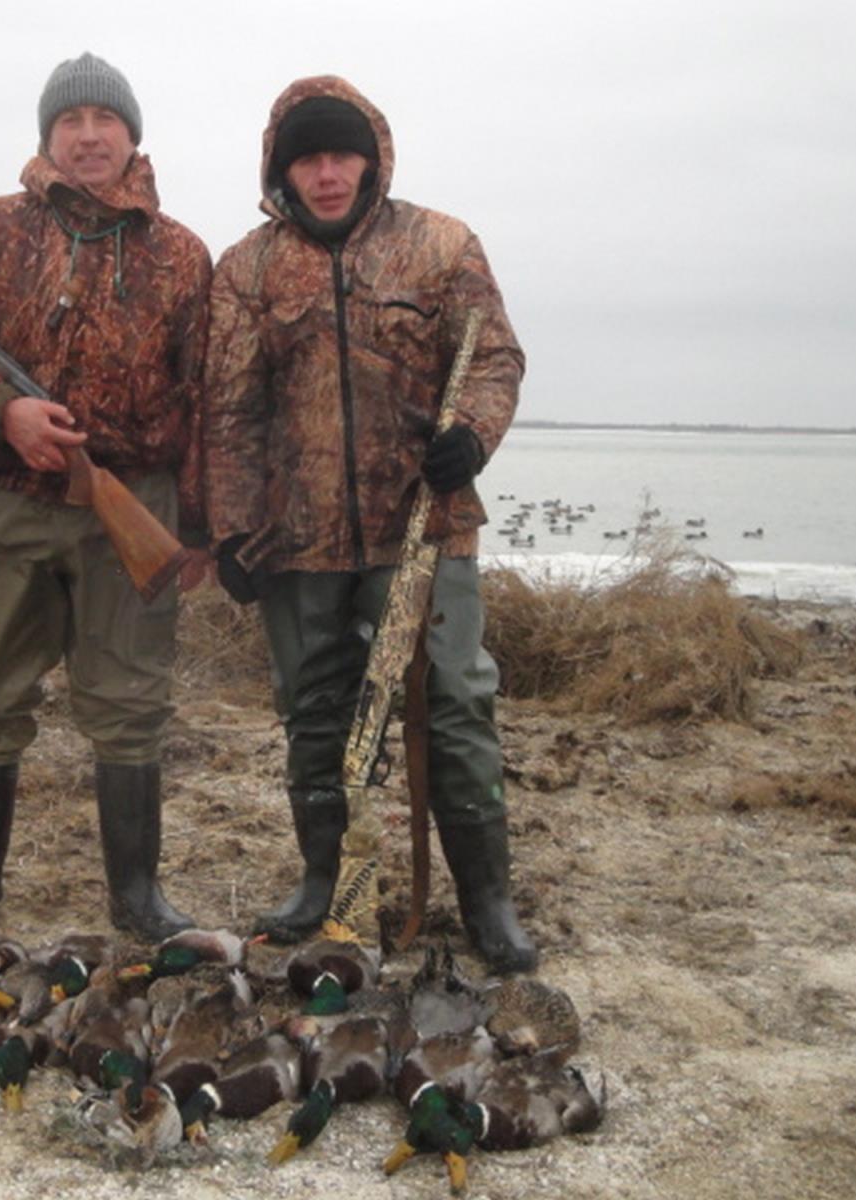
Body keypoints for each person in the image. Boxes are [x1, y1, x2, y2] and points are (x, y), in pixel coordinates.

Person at [202, 76, 537, 974]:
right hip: (298, 538)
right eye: (308, 160)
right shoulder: (247, 269)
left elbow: (494, 357)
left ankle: (488, 900)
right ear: (282, 171)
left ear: (370, 160)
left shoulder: (442, 244)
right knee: (313, 712)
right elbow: (229, 409)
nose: (326, 174)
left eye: (340, 156)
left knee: (456, 702)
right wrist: (231, 529)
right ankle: (325, 884)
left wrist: (473, 434)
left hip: (424, 527)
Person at [0, 52, 211, 942]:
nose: (89, 136)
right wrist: (2, 410)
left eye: (106, 120)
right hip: (6, 497)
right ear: (47, 137)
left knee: (131, 701)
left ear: (133, 137)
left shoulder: (182, 254)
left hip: (131, 503)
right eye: (71, 121)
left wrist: (200, 526)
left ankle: (137, 895)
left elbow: (208, 396)